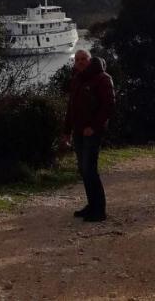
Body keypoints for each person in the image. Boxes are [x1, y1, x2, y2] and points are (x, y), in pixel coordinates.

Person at [63, 50, 115, 222]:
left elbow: (108, 106)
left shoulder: (102, 78)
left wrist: (93, 127)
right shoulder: (77, 79)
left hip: (92, 132)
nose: (80, 62)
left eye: (83, 58)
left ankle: (99, 210)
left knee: (90, 169)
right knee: (83, 170)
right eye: (77, 59)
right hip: (78, 132)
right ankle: (92, 205)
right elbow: (71, 108)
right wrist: (66, 131)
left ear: (90, 59)